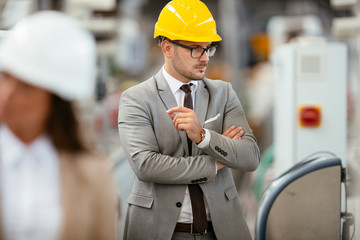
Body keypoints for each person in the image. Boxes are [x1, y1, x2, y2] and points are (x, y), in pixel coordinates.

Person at [118, 0, 260, 239]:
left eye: (208, 48)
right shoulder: (136, 99)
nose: (204, 57)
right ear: (167, 48)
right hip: (161, 230)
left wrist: (204, 137)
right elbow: (146, 165)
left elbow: (250, 156)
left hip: (220, 230)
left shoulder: (223, 94)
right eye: (195, 48)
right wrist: (215, 163)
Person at [0, 11, 117, 240]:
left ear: (55, 102)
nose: (7, 94)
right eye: (5, 78)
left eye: (26, 87)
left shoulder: (93, 173)